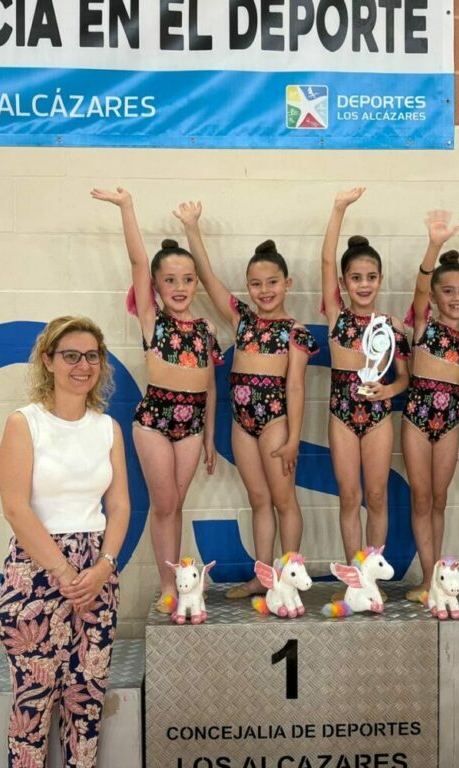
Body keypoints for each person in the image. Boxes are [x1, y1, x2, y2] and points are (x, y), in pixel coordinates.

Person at [0, 315, 130, 768]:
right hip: (36, 576)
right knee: (32, 714)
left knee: (86, 709)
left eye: (91, 356)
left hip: (96, 577)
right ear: (48, 360)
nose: (82, 365)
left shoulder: (107, 428)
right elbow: (16, 508)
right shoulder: (24, 423)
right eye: (70, 355)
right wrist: (63, 571)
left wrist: (104, 567)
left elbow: (121, 506)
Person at [173, 200, 319, 598]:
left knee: (283, 500)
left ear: (288, 284)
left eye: (272, 282)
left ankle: (288, 575)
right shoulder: (243, 319)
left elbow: (295, 387)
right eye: (256, 284)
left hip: (274, 421)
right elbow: (207, 276)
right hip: (242, 421)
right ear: (248, 287)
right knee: (258, 499)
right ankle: (263, 575)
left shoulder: (295, 331)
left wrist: (292, 437)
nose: (264, 291)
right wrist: (192, 228)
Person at [91, 187, 221, 614]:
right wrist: (128, 207)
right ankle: (169, 583)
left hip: (192, 424)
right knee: (163, 502)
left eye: (187, 280)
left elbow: (210, 387)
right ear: (157, 286)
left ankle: (179, 584)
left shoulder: (204, 330)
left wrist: (208, 438)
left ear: (197, 283)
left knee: (176, 504)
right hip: (155, 421)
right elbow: (136, 262)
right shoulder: (153, 320)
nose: (179, 287)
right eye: (169, 280)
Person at [321, 187, 411, 564]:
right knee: (349, 497)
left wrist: (388, 392)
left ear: (380, 279)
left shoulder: (391, 327)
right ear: (344, 282)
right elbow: (326, 260)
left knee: (376, 496)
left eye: (371, 277)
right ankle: (354, 572)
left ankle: (373, 569)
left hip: (377, 417)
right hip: (342, 416)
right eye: (355, 277)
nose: (363, 284)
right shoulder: (336, 316)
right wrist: (338, 208)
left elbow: (405, 378)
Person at [402, 210, 459, 602]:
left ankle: (439, 577)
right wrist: (434, 243)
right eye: (448, 291)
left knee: (440, 498)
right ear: (434, 297)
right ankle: (428, 577)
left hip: (449, 422)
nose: (457, 298)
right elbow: (418, 288)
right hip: (416, 419)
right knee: (421, 496)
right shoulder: (422, 327)